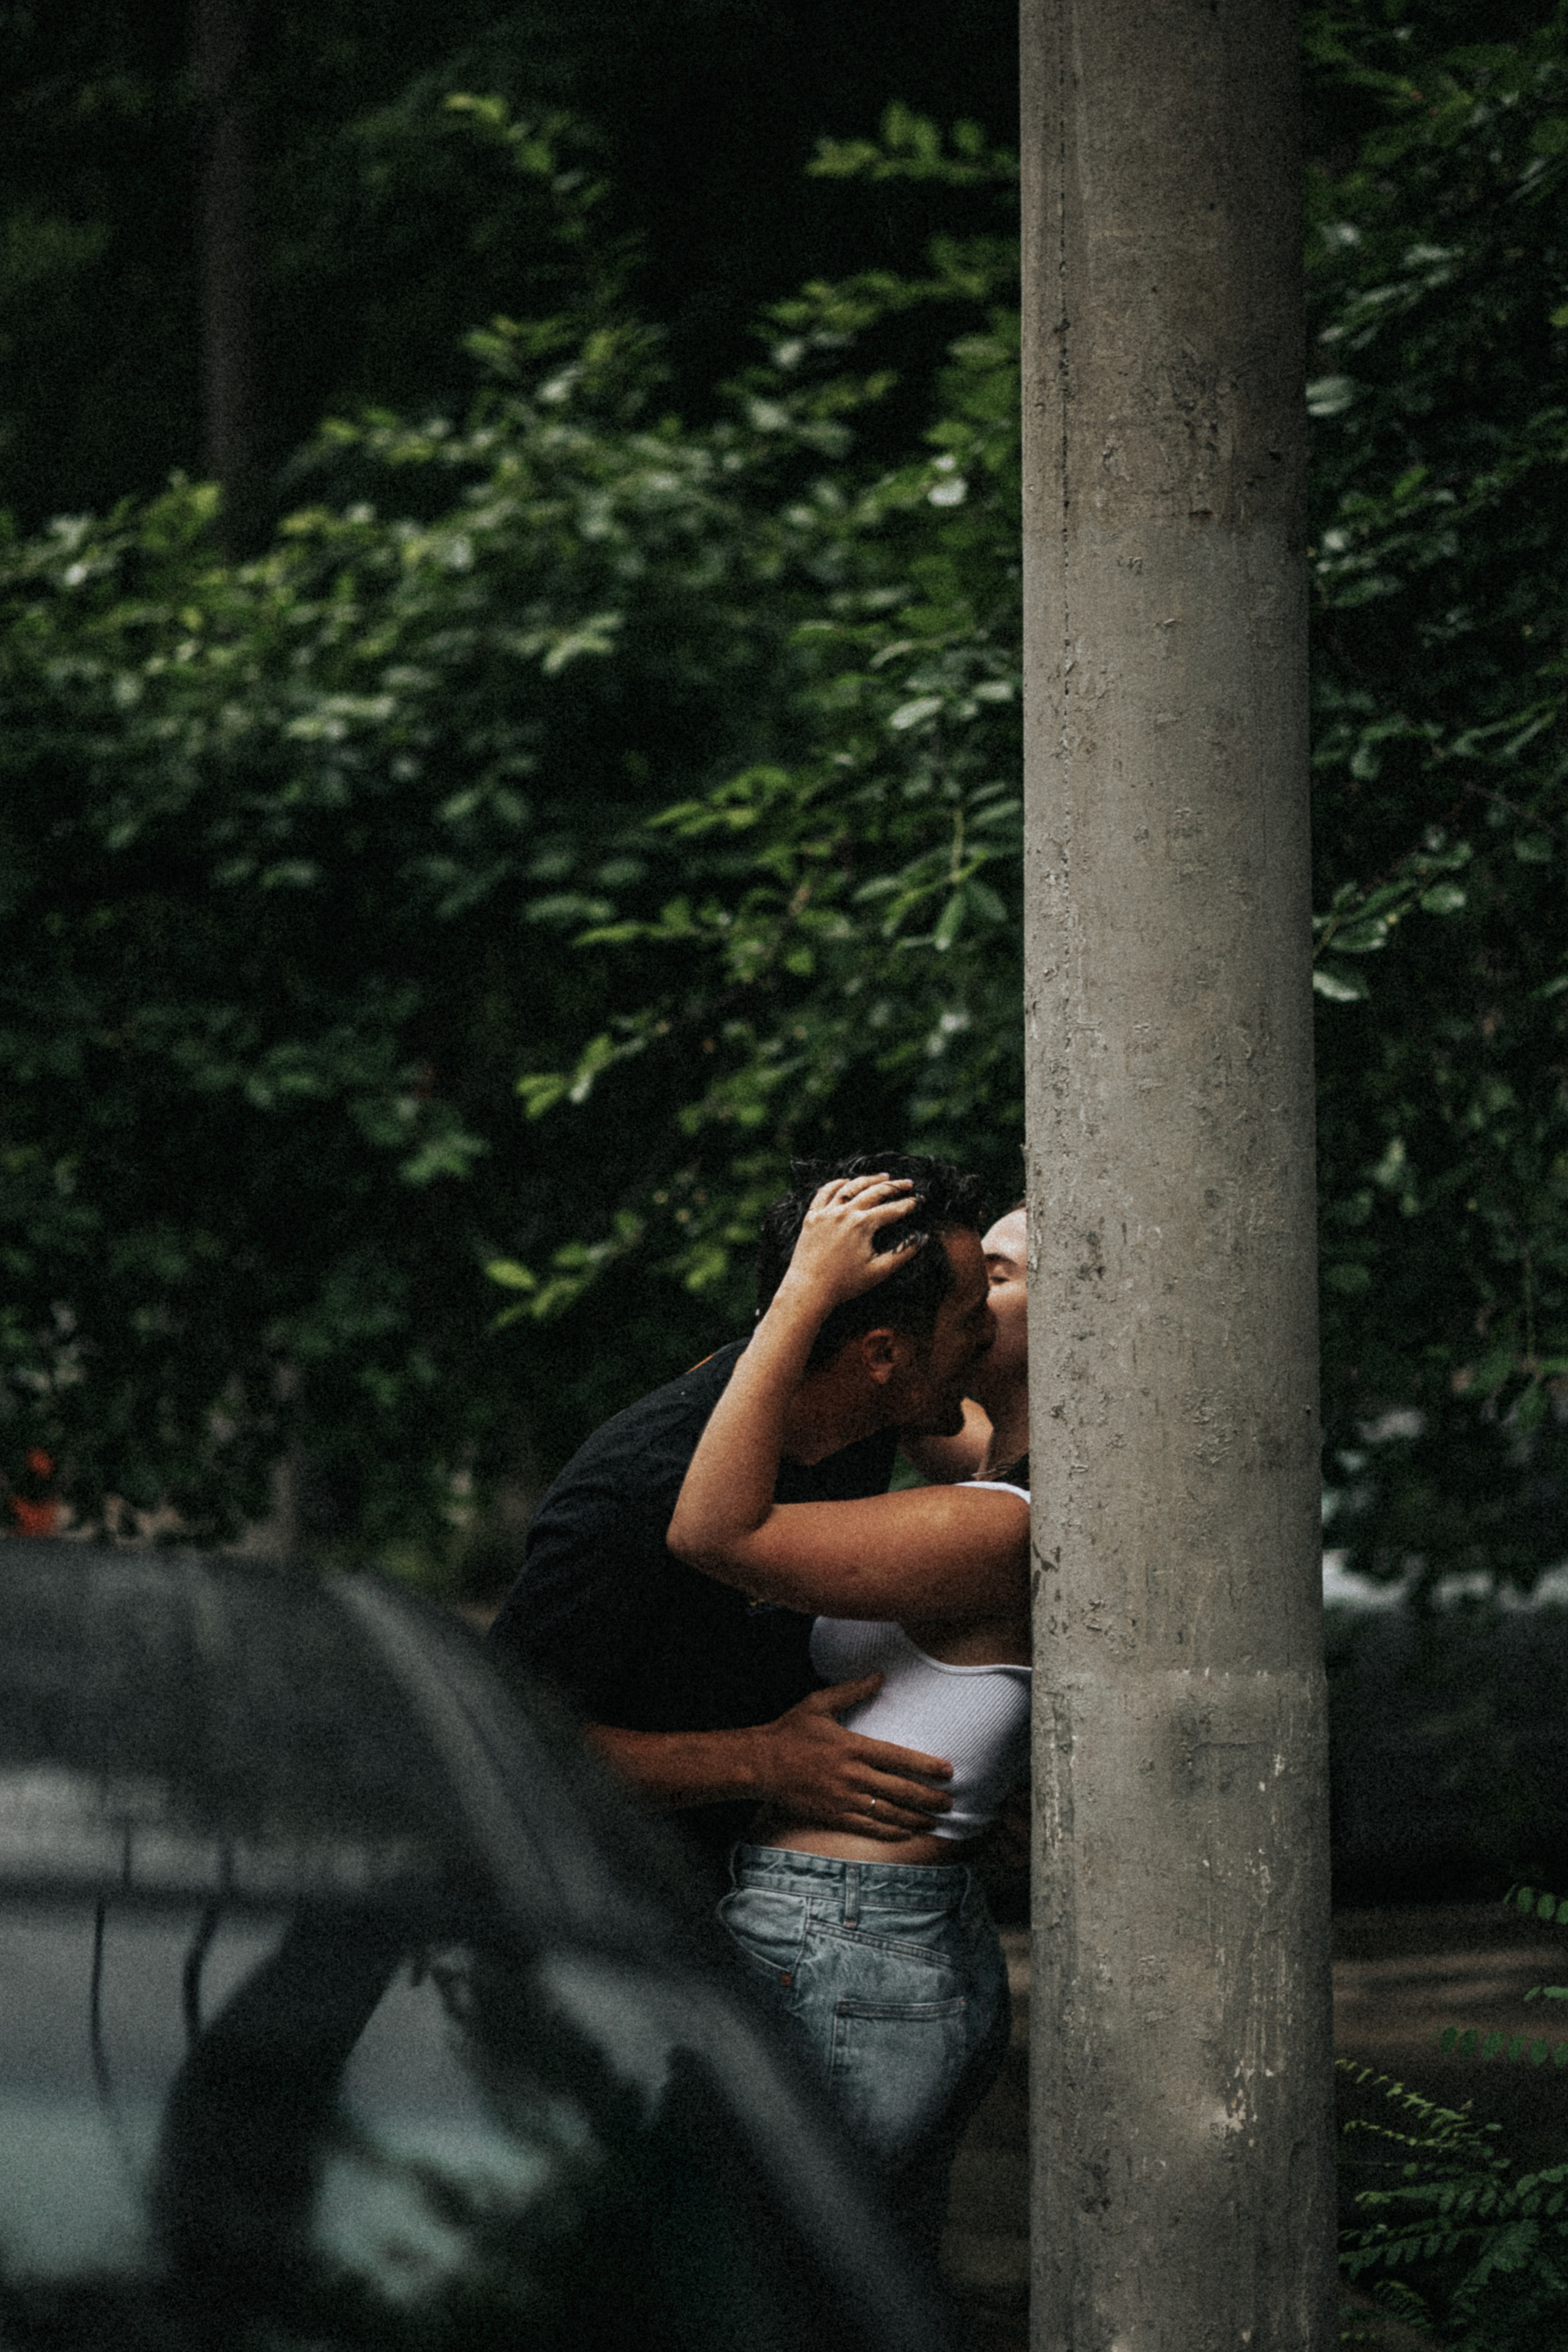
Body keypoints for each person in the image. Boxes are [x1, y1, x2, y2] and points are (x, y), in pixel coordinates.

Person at [666, 1176, 1031, 2251]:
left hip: (848, 1947)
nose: (970, 1290)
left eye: (998, 1277)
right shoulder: (988, 1471)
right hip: (871, 1943)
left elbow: (714, 1532)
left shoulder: (1000, 1529)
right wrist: (842, 1308)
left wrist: (799, 1298)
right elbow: (899, 1396)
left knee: (763, 2291)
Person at [487, 1155, 998, 1880]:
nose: (988, 1339)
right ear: (883, 1354)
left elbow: (1018, 1483)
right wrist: (759, 1760)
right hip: (626, 1917)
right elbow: (503, 1741)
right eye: (972, 1320)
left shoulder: (873, 1407)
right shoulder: (634, 1488)